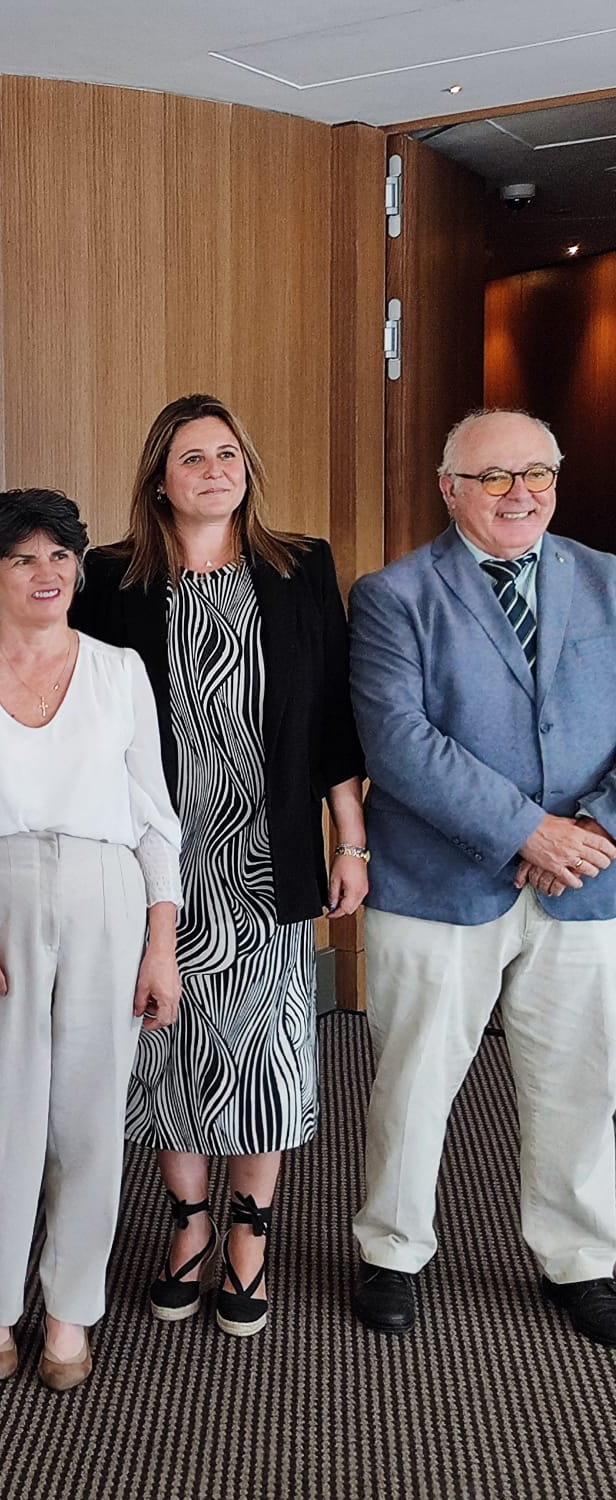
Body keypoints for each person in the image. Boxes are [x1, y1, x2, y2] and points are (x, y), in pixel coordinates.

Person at [72, 393, 367, 1336]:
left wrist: (349, 838)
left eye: (229, 453)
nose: (214, 470)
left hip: (267, 856)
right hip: (156, 861)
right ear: (159, 478)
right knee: (168, 1051)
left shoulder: (300, 566)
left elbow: (331, 718)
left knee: (265, 1057)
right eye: (192, 456)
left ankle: (251, 1235)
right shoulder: (111, 579)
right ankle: (188, 1225)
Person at [0, 487, 182, 1392]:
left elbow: (154, 819)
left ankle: (70, 1312)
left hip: (106, 895)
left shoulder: (119, 669)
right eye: (23, 559)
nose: (47, 573)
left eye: (61, 555)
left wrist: (160, 942)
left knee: (91, 1119)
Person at [349, 407, 616, 1344]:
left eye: (536, 472)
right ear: (449, 486)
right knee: (415, 1079)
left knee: (581, 1081)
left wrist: (589, 830)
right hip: (439, 882)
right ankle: (392, 1248)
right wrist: (525, 834)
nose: (520, 494)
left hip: (589, 879)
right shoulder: (394, 594)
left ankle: (580, 1257)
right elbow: (400, 742)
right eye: (495, 476)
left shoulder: (610, 582)